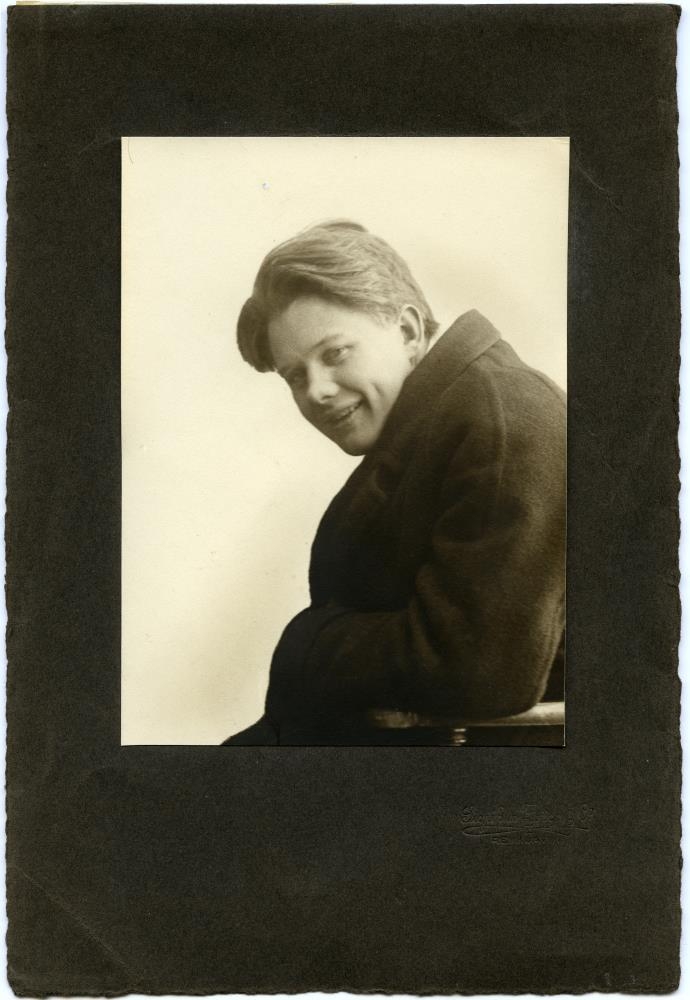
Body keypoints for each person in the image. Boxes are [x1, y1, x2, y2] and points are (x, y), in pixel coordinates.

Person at [222, 220, 565, 746]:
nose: (316, 391)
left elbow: (476, 668)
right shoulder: (443, 418)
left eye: (335, 353)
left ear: (407, 331)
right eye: (295, 375)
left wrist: (305, 646)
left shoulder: (503, 419)